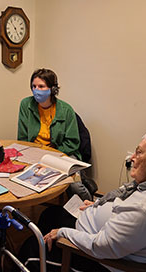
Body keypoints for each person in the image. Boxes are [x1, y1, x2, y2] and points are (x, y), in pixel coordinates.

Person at [11, 128, 146, 272]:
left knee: (32, 251)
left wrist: (62, 233)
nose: (132, 157)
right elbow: (128, 217)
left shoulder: (145, 210)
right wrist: (98, 206)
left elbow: (101, 247)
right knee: (50, 214)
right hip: (106, 239)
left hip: (111, 270)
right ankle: (40, 270)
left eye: (139, 152)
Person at [17, 68, 92, 200]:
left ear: (52, 89)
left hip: (63, 154)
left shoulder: (66, 110)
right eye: (34, 86)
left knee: (73, 186)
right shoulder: (26, 105)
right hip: (34, 153)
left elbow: (73, 143)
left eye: (41, 86)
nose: (36, 90)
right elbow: (22, 138)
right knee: (19, 177)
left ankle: (89, 206)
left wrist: (49, 154)